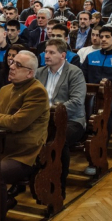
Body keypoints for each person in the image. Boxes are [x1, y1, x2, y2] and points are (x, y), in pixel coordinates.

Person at [0, 51, 50, 207]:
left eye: (18, 65)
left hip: (24, 154)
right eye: (12, 62)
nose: (12, 66)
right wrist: (7, 119)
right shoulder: (5, 90)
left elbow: (18, 123)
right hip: (1, 148)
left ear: (29, 73)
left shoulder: (36, 91)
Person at [36, 38, 87, 197]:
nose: (47, 55)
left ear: (63, 55)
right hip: (44, 120)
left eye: (52, 52)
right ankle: (33, 179)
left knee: (59, 140)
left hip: (71, 120)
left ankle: (59, 185)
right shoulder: (39, 72)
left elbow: (77, 102)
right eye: (46, 52)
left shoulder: (74, 72)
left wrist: (53, 112)